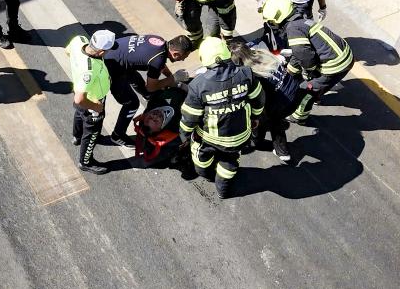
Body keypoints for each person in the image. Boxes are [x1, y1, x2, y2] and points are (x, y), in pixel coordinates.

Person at [179, 38, 264, 199]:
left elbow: (189, 117)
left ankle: (208, 174)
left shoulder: (198, 85)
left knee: (201, 159)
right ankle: (223, 190)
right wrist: (256, 117)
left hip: (209, 139)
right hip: (240, 137)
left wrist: (184, 136)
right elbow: (259, 100)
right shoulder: (246, 73)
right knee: (229, 162)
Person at [261, 0, 354, 125]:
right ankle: (318, 92)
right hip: (342, 56)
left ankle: (299, 117)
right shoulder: (300, 22)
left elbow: (305, 56)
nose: (272, 25)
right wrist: (291, 70)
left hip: (335, 65)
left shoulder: (292, 29)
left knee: (306, 89)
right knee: (313, 80)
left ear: (279, 17)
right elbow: (299, 52)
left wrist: (308, 73)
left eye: (272, 22)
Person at [101, 34, 194, 147]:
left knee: (134, 76)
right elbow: (152, 85)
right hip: (109, 70)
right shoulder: (158, 59)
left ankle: (148, 96)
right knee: (132, 104)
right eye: (184, 57)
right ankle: (117, 135)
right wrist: (173, 79)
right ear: (175, 54)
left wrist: (171, 78)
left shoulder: (160, 42)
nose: (183, 59)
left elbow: (159, 64)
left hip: (115, 58)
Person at [229, 42, 298, 164]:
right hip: (294, 90)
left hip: (283, 103)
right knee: (274, 116)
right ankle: (280, 149)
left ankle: (276, 149)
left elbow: (258, 99)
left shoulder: (252, 74)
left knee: (267, 118)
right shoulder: (261, 52)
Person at [66, 30, 116, 175]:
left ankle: (77, 136)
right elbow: (80, 99)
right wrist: (97, 107)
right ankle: (85, 162)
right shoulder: (89, 69)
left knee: (79, 113)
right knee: (92, 131)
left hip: (81, 92)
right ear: (100, 52)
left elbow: (67, 51)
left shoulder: (78, 40)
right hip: (92, 100)